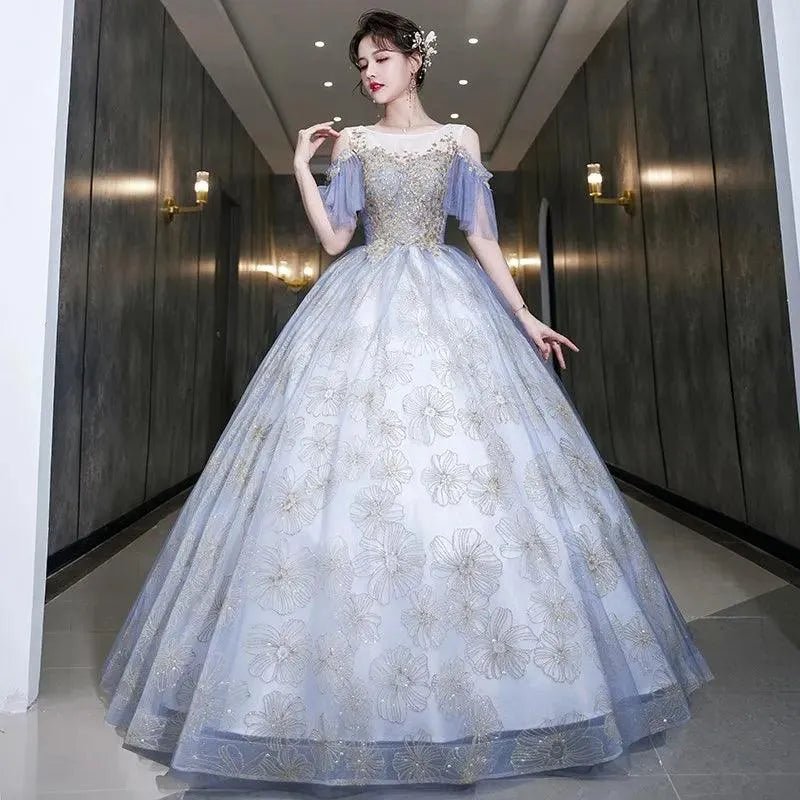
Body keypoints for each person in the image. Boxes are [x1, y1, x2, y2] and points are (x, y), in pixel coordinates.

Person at [99, 8, 713, 792]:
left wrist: (523, 315)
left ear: (416, 61)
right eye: (361, 62)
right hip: (362, 299)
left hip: (447, 295)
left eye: (382, 57)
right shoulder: (353, 144)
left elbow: (480, 234)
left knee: (465, 470)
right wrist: (301, 166)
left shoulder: (459, 139)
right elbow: (335, 241)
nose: (370, 72)